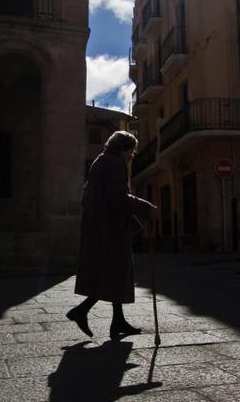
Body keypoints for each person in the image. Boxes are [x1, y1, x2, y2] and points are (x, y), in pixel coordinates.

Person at [66, 131, 159, 340]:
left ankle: (115, 320)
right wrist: (146, 208)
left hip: (100, 226)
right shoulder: (115, 163)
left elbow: (93, 195)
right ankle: (83, 311)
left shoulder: (100, 161)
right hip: (111, 229)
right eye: (132, 151)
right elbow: (117, 196)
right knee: (115, 270)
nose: (133, 155)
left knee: (112, 272)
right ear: (124, 148)